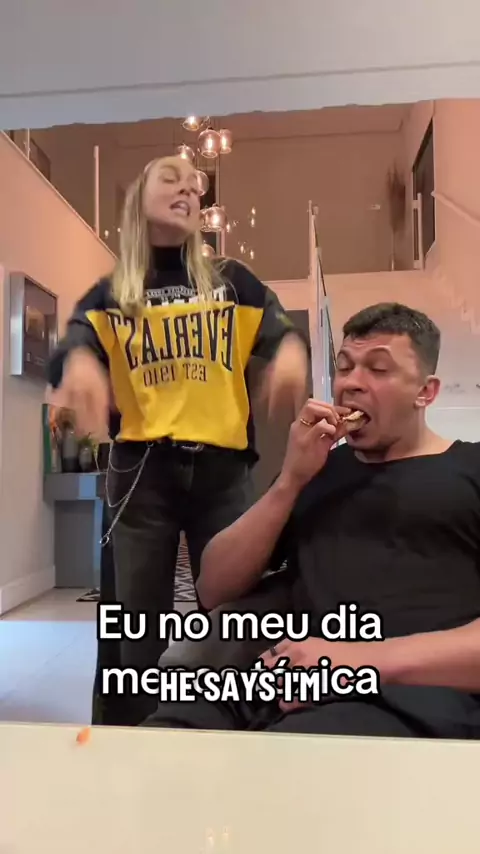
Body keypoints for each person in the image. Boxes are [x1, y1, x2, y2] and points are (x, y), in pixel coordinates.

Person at [47, 155, 309, 725]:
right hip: (141, 473)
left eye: (196, 185)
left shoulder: (233, 281)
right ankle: (135, 733)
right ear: (137, 199)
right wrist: (81, 365)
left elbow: (282, 330)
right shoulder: (112, 293)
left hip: (224, 473)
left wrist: (290, 353)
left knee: (236, 609)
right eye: (172, 179)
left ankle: (234, 723)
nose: (189, 189)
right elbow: (70, 345)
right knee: (135, 621)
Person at [144, 302, 480, 739]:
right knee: (151, 748)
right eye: (345, 367)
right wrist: (290, 480)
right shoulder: (316, 471)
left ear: (425, 392)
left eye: (378, 369)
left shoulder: (470, 469)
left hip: (402, 699)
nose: (351, 383)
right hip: (270, 686)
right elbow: (213, 587)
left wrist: (353, 661)